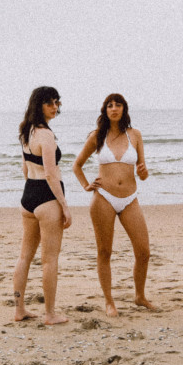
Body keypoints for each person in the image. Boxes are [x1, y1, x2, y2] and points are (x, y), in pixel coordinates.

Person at [72, 93, 154, 317]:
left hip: (130, 198)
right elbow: (77, 165)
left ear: (124, 109)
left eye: (118, 105)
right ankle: (109, 302)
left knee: (144, 251)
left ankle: (140, 296)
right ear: (105, 110)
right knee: (104, 251)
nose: (114, 108)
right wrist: (86, 185)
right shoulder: (97, 135)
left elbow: (142, 173)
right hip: (103, 198)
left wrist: (144, 173)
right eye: (110, 105)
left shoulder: (135, 135)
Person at [12, 86, 71, 325]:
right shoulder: (45, 135)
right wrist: (64, 205)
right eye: (49, 103)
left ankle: (19, 310)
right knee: (50, 259)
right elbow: (50, 173)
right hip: (46, 197)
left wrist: (32, 191)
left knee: (24, 256)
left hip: (28, 196)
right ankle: (49, 314)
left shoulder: (26, 131)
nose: (54, 107)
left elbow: (25, 168)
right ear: (39, 105)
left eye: (57, 102)